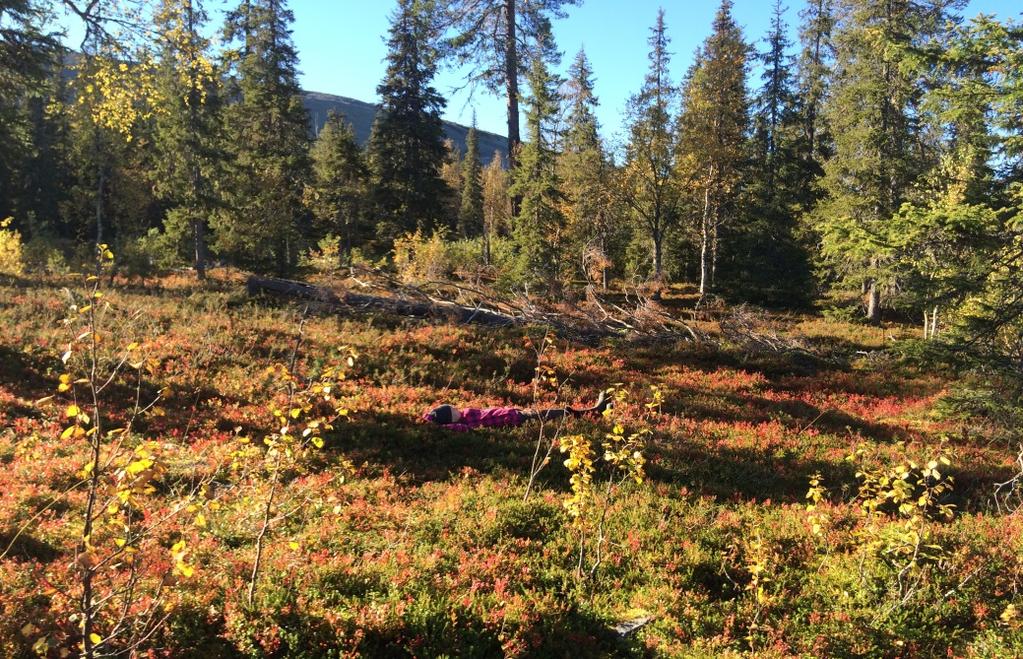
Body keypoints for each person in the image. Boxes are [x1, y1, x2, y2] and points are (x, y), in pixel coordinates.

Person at [423, 392, 611, 432]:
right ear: (450, 418)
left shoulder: (463, 416)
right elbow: (453, 429)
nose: (456, 408)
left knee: (559, 413)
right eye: (451, 410)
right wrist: (437, 422)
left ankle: (598, 412)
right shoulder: (460, 425)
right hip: (519, 420)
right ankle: (597, 411)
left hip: (519, 413)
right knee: (561, 413)